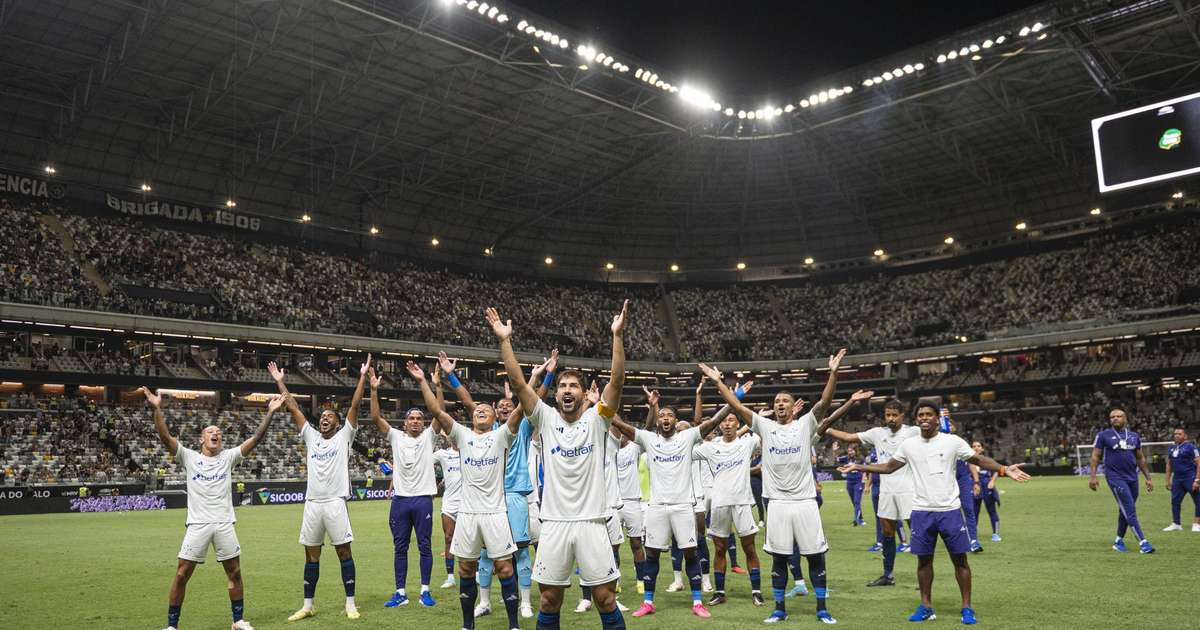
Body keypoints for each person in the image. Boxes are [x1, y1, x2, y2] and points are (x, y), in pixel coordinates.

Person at [487, 301, 630, 630]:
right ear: (556, 395)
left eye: (574, 386)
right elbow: (521, 385)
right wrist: (504, 341)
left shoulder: (599, 420)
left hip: (592, 523)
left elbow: (617, 384)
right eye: (563, 386)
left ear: (583, 394)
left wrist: (617, 337)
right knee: (550, 600)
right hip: (553, 524)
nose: (567, 390)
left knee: (605, 599)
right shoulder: (546, 418)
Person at [838, 402, 1031, 625]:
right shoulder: (909, 445)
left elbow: (978, 460)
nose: (924, 418)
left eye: (929, 414)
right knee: (923, 562)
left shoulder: (952, 442)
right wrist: (859, 467)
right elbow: (889, 467)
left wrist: (1004, 469)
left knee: (960, 561)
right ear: (916, 419)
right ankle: (926, 606)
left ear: (937, 419)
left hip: (949, 510)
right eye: (920, 415)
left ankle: (967, 607)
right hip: (921, 510)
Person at [699, 349, 849, 625]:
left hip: (804, 501)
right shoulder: (764, 427)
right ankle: (779, 608)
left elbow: (825, 402)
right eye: (777, 401)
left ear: (793, 407)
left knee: (815, 556)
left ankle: (822, 608)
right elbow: (736, 405)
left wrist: (834, 373)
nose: (780, 404)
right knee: (779, 558)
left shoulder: (805, 425)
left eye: (785, 401)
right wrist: (717, 382)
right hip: (776, 503)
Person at [141, 387, 281, 630]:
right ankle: (172, 626)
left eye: (218, 432)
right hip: (198, 524)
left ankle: (237, 621)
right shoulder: (189, 457)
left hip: (224, 522)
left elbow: (255, 439)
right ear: (201, 439)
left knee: (235, 572)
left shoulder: (229, 457)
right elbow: (165, 437)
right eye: (210, 432)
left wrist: (269, 412)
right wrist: (156, 409)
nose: (215, 434)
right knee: (182, 574)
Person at [407, 359, 524, 630]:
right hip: (468, 515)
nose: (480, 411)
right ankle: (467, 625)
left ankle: (514, 625)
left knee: (506, 570)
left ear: (495, 419)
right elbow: (435, 409)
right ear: (471, 418)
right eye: (477, 410)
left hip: (495, 514)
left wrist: (542, 376)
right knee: (465, 570)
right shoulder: (460, 435)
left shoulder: (502, 436)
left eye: (486, 409)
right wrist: (424, 381)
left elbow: (521, 407)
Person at [269, 358, 368, 622]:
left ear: (337, 423)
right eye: (322, 417)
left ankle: (350, 603)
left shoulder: (344, 437)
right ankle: (308, 605)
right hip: (312, 502)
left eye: (329, 417)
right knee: (311, 555)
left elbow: (356, 404)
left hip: (335, 501)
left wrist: (362, 376)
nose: (324, 419)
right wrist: (280, 381)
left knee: (343, 552)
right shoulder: (311, 437)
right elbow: (292, 406)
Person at [619, 383, 724, 619]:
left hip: (683, 507)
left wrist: (734, 398)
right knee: (652, 555)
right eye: (662, 415)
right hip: (656, 508)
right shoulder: (648, 439)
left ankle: (697, 602)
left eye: (670, 416)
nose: (666, 418)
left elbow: (712, 422)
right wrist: (601, 408)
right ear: (657, 421)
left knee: (690, 553)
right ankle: (648, 602)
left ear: (676, 422)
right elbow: (623, 427)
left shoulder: (687, 438)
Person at [475, 355, 555, 620]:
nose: (506, 408)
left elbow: (533, 398)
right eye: (501, 406)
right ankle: (484, 602)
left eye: (510, 405)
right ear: (496, 412)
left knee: (520, 551)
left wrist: (545, 376)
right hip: (491, 498)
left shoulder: (520, 427)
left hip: (517, 497)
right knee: (486, 554)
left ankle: (524, 602)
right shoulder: (489, 431)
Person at [819, 398, 919, 587]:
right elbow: (848, 438)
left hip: (909, 489)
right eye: (888, 415)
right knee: (887, 533)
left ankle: (923, 573)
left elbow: (939, 434)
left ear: (902, 416)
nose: (891, 419)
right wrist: (825, 427)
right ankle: (888, 575)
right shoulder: (877, 433)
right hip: (887, 491)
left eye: (894, 415)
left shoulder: (913, 432)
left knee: (918, 533)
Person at [370, 371, 437, 607]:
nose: (416, 421)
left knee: (424, 546)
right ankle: (400, 592)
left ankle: (425, 591)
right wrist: (374, 389)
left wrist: (435, 385)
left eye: (420, 418)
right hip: (400, 500)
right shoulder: (396, 437)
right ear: (405, 422)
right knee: (400, 547)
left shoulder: (430, 437)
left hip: (422, 499)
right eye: (412, 418)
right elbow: (376, 417)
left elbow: (439, 412)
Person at [693, 410, 764, 607]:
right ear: (719, 425)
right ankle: (720, 592)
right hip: (719, 504)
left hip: (742, 502)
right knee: (719, 549)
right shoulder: (709, 447)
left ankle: (756, 591)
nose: (726, 424)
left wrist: (758, 419)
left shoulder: (747, 443)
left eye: (731, 420)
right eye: (723, 421)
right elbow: (686, 449)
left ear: (737, 424)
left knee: (749, 548)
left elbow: (767, 435)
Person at [1088, 406, 1155, 553]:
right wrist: (1093, 476)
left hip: (1132, 477)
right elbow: (1095, 456)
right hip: (1114, 477)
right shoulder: (1103, 435)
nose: (1115, 419)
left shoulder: (1133, 436)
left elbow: (1140, 457)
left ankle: (1118, 541)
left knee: (1124, 510)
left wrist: (1148, 478)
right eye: (1112, 417)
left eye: (1118, 416)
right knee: (1130, 509)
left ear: (1125, 419)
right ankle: (1143, 543)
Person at [434, 429, 462, 588]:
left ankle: (479, 573)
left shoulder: (471, 451)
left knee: (474, 540)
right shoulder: (443, 454)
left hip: (469, 503)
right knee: (448, 538)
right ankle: (450, 577)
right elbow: (423, 459)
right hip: (449, 503)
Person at [1162, 427, 1200, 532]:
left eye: (1179, 434)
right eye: (1175, 434)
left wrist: (1197, 480)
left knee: (1198, 500)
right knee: (1175, 501)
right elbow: (1169, 464)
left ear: (1185, 436)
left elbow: (1198, 463)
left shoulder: (1191, 447)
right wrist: (1167, 480)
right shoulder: (1172, 448)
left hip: (1190, 478)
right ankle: (1176, 524)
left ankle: (1196, 524)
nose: (1177, 435)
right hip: (1177, 479)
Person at [970, 442, 1001, 541]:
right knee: (974, 512)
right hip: (974, 487)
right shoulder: (968, 461)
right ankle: (973, 536)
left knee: (992, 511)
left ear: (982, 449)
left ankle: (996, 534)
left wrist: (992, 481)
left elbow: (997, 470)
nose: (976, 448)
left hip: (987, 487)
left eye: (978, 446)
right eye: (974, 446)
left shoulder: (986, 460)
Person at [832, 442, 866, 526]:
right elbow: (836, 459)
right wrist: (834, 451)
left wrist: (863, 480)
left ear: (855, 450)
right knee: (854, 502)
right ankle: (861, 519)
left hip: (858, 482)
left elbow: (865, 469)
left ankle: (856, 520)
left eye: (851, 451)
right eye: (849, 451)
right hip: (849, 483)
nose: (850, 452)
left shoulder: (861, 458)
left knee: (857, 501)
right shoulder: (846, 458)